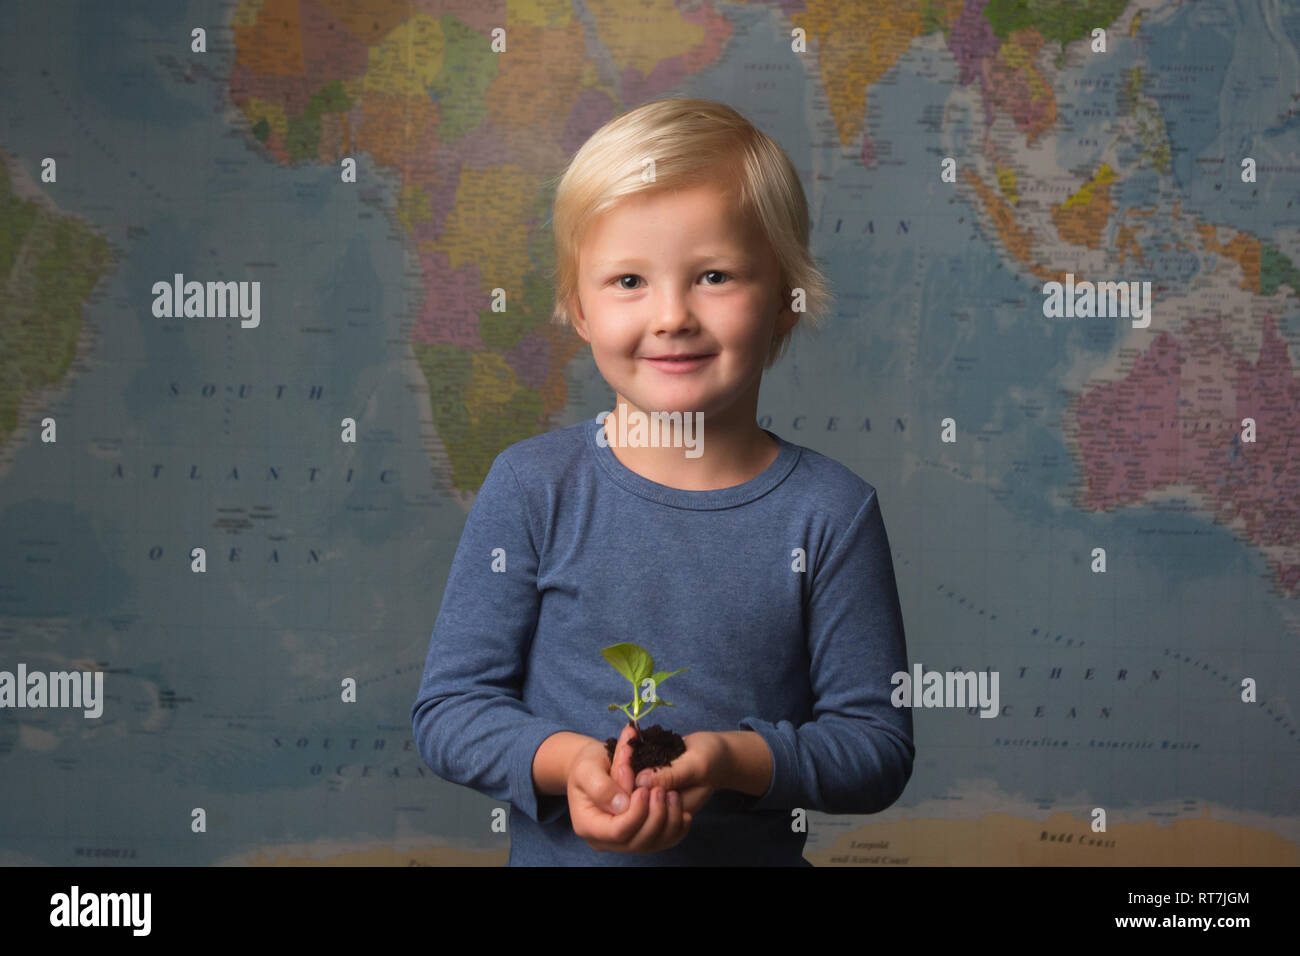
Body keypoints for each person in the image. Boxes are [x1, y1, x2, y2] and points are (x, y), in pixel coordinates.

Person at [410, 97, 913, 865]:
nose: (672, 315)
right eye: (628, 281)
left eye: (714, 275)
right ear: (578, 306)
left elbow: (875, 747)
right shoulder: (532, 488)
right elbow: (451, 711)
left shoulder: (831, 514)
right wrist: (571, 761)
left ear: (786, 299)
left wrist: (729, 760)